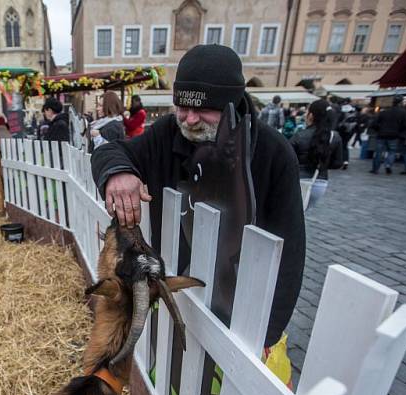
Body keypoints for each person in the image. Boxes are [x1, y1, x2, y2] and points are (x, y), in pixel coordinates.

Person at [91, 44, 305, 359]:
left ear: (231, 105)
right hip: (176, 296)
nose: (189, 120)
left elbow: (290, 254)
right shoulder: (167, 132)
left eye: (203, 109)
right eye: (181, 106)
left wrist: (267, 334)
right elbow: (111, 151)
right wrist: (117, 172)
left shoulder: (274, 154)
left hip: (240, 307)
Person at [290, 100, 344, 208]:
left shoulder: (300, 135)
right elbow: (338, 163)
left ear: (311, 115)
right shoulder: (334, 136)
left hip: (299, 181)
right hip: (320, 183)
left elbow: (286, 158)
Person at [370, 96, 406, 174]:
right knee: (392, 152)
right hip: (394, 135)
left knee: (379, 152)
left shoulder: (384, 111)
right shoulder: (403, 112)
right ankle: (388, 165)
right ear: (401, 102)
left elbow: (374, 123)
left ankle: (375, 169)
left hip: (382, 134)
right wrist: (401, 133)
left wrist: (379, 129)